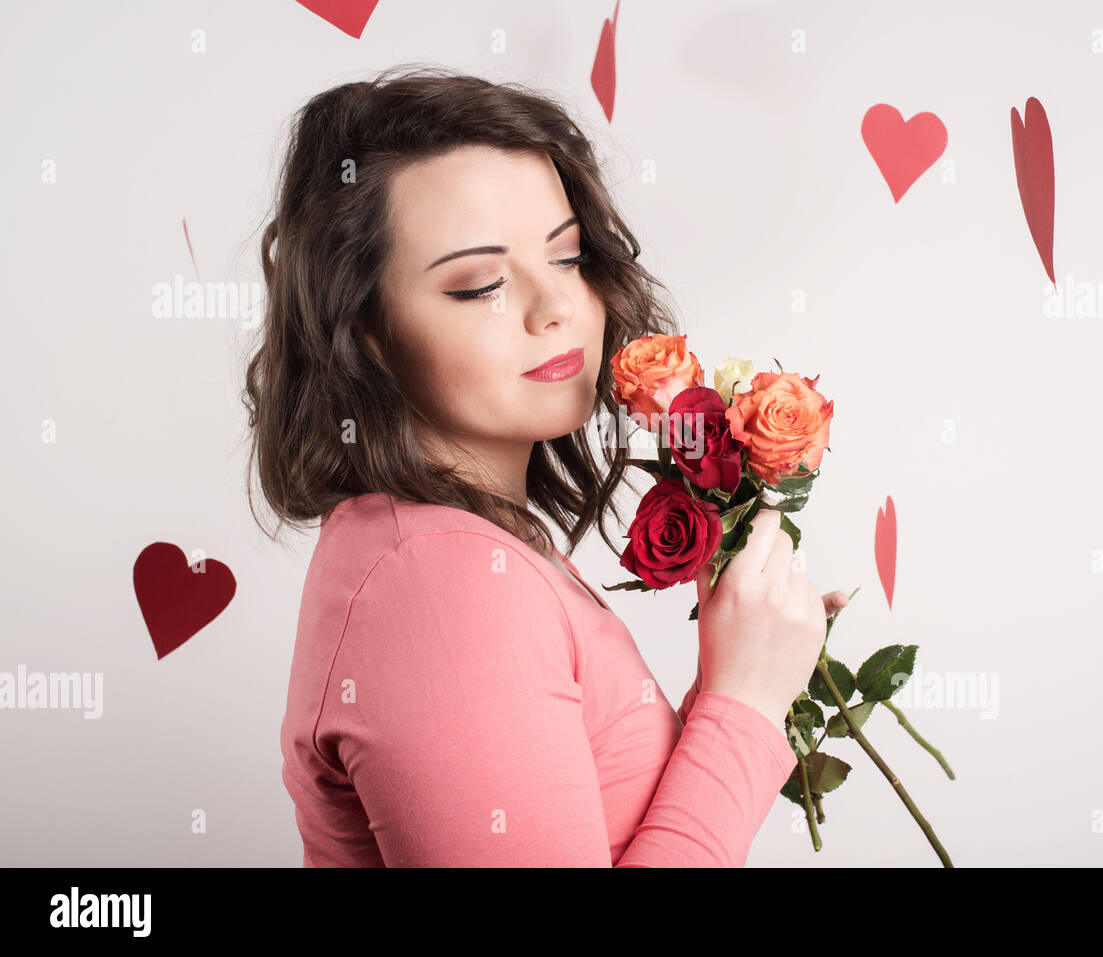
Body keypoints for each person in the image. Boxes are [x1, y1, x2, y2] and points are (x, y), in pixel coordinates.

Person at [242, 64, 847, 866]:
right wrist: (744, 707)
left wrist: (746, 672)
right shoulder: (439, 583)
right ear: (368, 333)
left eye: (566, 259)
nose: (555, 307)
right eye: (481, 283)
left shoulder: (450, 545)